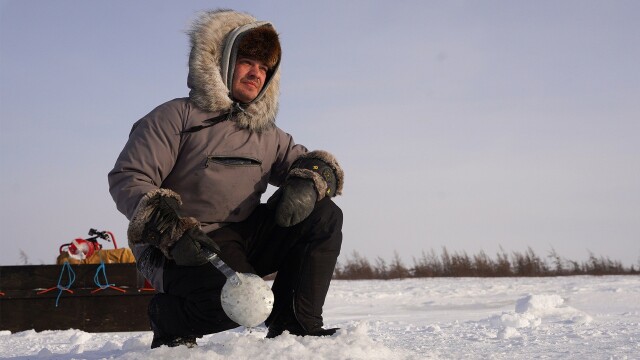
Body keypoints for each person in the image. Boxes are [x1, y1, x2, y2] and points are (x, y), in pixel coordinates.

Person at [108, 9, 344, 348]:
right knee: (240, 304)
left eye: (264, 68)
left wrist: (309, 181)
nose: (256, 74)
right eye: (248, 61)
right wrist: (171, 230)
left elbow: (309, 164)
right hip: (180, 244)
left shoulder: (268, 134)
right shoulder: (176, 117)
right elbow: (129, 177)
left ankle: (296, 325)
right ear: (222, 61)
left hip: (241, 236)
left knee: (323, 215)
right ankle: (170, 317)